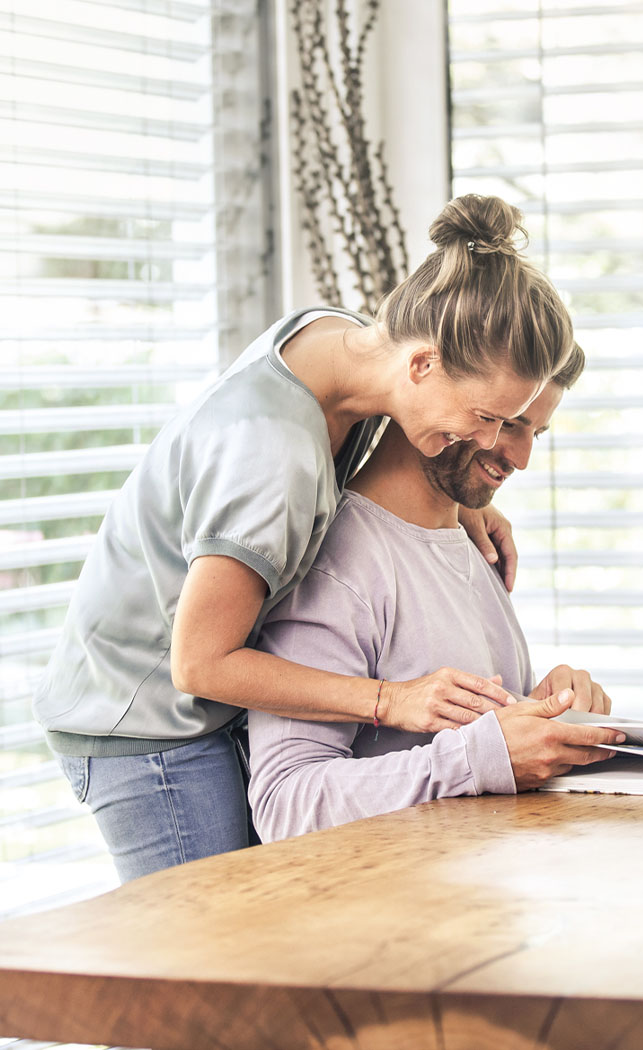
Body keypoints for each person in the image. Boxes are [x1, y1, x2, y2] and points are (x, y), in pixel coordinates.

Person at [33, 193, 578, 881]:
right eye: (486, 418)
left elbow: (396, 414)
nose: (492, 441)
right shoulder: (272, 457)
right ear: (422, 364)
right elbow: (199, 664)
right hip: (143, 722)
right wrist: (392, 697)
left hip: (195, 700)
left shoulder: (337, 341)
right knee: (213, 958)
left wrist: (465, 501)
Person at [248, 354, 626, 841]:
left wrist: (542, 714)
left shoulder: (474, 540)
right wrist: (480, 757)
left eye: (537, 432)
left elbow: (477, 745)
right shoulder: (337, 567)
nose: (523, 457)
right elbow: (286, 805)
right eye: (508, 422)